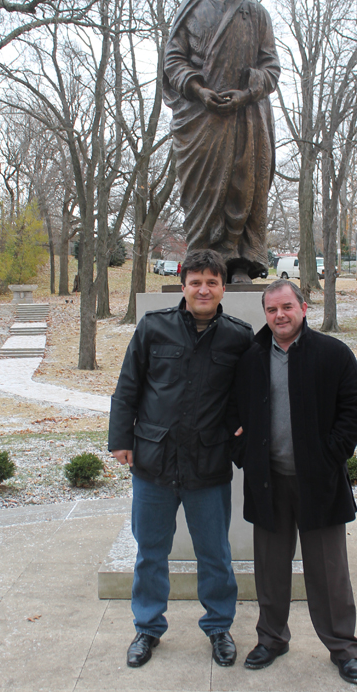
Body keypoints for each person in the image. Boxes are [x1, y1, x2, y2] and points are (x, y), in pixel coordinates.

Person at [108, 249, 253, 669]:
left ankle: (219, 626)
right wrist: (121, 439)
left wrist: (242, 432)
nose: (203, 289)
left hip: (207, 465)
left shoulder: (238, 337)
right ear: (183, 285)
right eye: (196, 282)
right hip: (153, 462)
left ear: (223, 287)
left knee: (214, 552)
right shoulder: (154, 328)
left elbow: (248, 396)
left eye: (212, 281)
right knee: (151, 551)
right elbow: (128, 386)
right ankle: (148, 628)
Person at [232, 279, 357, 684]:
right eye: (273, 309)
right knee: (270, 571)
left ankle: (343, 648)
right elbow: (229, 410)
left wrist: (330, 455)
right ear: (266, 313)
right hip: (267, 483)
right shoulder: (251, 357)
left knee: (329, 574)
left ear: (304, 308)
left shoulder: (331, 353)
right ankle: (272, 639)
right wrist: (242, 453)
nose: (280, 315)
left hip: (320, 484)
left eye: (287, 307)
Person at [163, 0, 280, 284]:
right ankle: (203, 260)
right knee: (202, 188)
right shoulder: (192, 9)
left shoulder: (254, 11)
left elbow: (271, 66)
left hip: (246, 116)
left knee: (242, 183)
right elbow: (173, 58)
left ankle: (239, 260)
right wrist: (198, 90)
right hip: (201, 118)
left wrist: (247, 93)